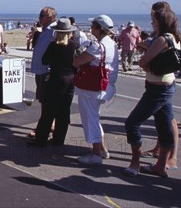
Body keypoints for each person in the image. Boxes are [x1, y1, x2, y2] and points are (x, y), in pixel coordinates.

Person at [123, 1, 180, 178]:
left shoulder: (162, 39)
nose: (151, 23)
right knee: (164, 126)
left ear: (160, 21)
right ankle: (161, 165)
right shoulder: (173, 37)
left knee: (132, 123)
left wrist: (148, 69)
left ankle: (135, 163)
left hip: (157, 89)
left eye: (153, 20)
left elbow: (143, 61)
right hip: (167, 85)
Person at [73, 14, 119, 165]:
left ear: (99, 29)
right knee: (94, 117)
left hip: (92, 88)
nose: (91, 28)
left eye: (93, 26)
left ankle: (95, 154)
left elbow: (78, 61)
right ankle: (102, 149)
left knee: (90, 119)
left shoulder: (97, 46)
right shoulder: (111, 44)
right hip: (105, 86)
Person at [27, 18, 77, 147]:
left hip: (56, 78)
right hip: (70, 79)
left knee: (48, 111)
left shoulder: (53, 46)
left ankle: (41, 140)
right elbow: (77, 63)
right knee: (64, 111)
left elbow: (44, 60)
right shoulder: (74, 45)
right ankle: (59, 139)